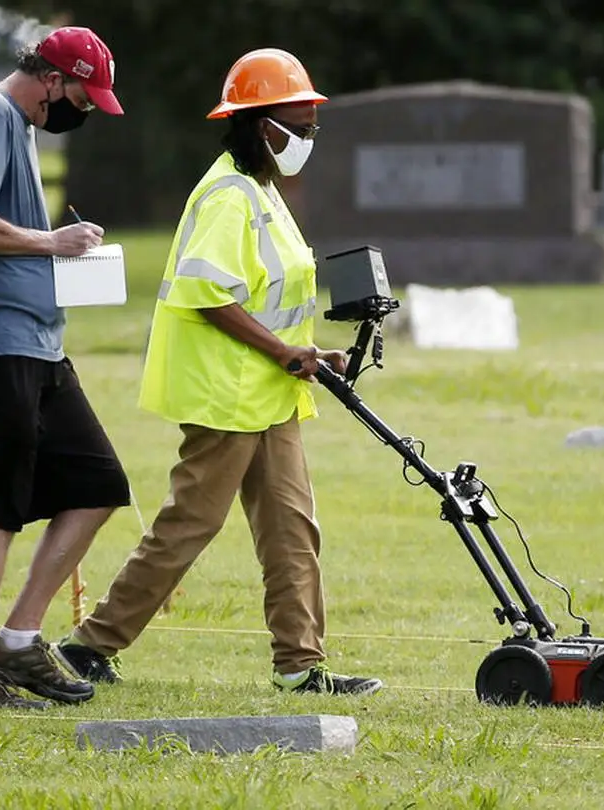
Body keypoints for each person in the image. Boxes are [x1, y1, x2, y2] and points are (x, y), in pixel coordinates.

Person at [56, 48, 383, 696]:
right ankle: (89, 646)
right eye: (300, 125)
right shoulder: (228, 196)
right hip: (227, 395)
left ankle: (300, 665)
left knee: (292, 527)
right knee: (191, 523)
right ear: (264, 125)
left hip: (272, 390)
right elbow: (209, 295)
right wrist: (281, 353)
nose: (308, 138)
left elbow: (269, 295)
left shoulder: (261, 189)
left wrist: (310, 352)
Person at [0, 26, 131, 710]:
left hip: (37, 344)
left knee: (98, 482)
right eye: (81, 94)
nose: (82, 110)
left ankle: (17, 640)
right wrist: (54, 241)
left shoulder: (16, 124)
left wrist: (63, 257)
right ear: (53, 79)